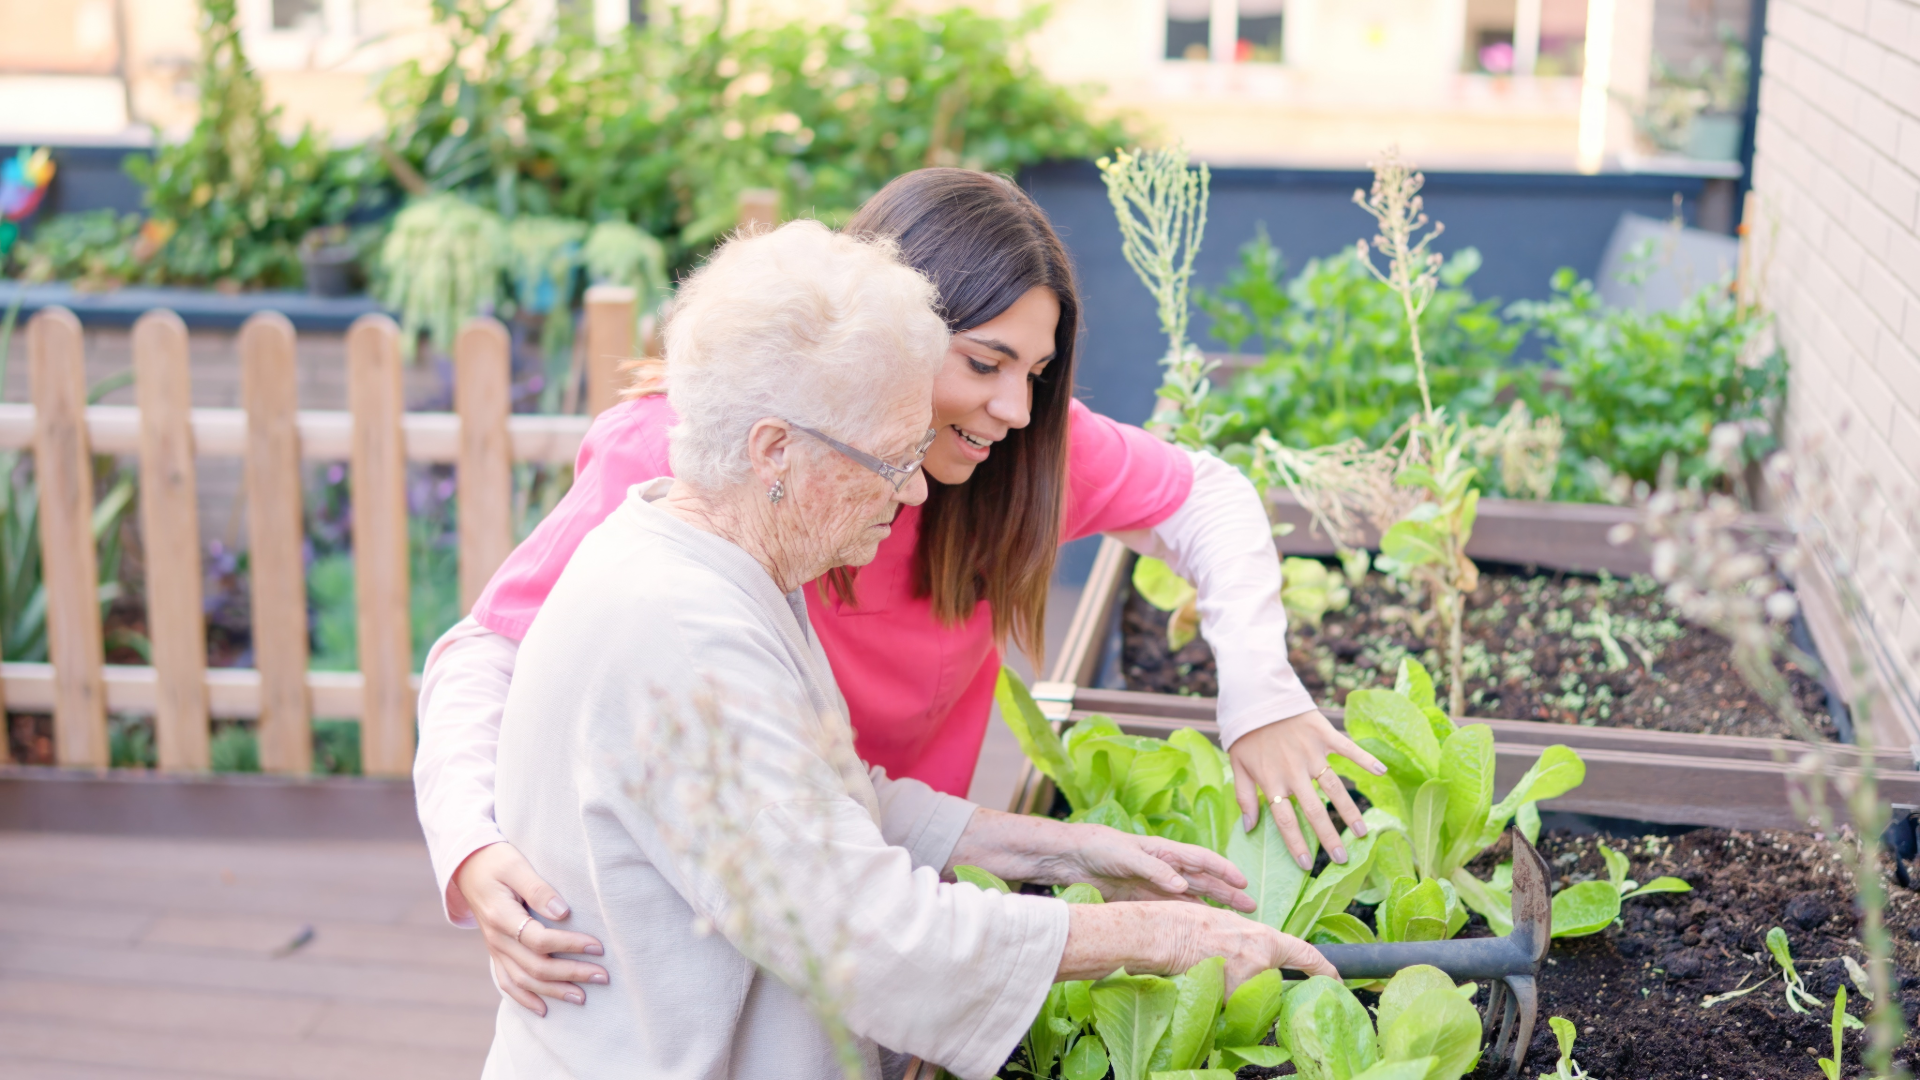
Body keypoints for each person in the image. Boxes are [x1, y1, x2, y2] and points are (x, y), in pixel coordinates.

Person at [416, 169, 1385, 1014]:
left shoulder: (1013, 450)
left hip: (890, 869)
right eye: (984, 363)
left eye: (1038, 374)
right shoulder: (697, 460)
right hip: (698, 900)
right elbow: (493, 649)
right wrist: (470, 841)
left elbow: (1205, 497)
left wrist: (1259, 697)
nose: (1015, 408)